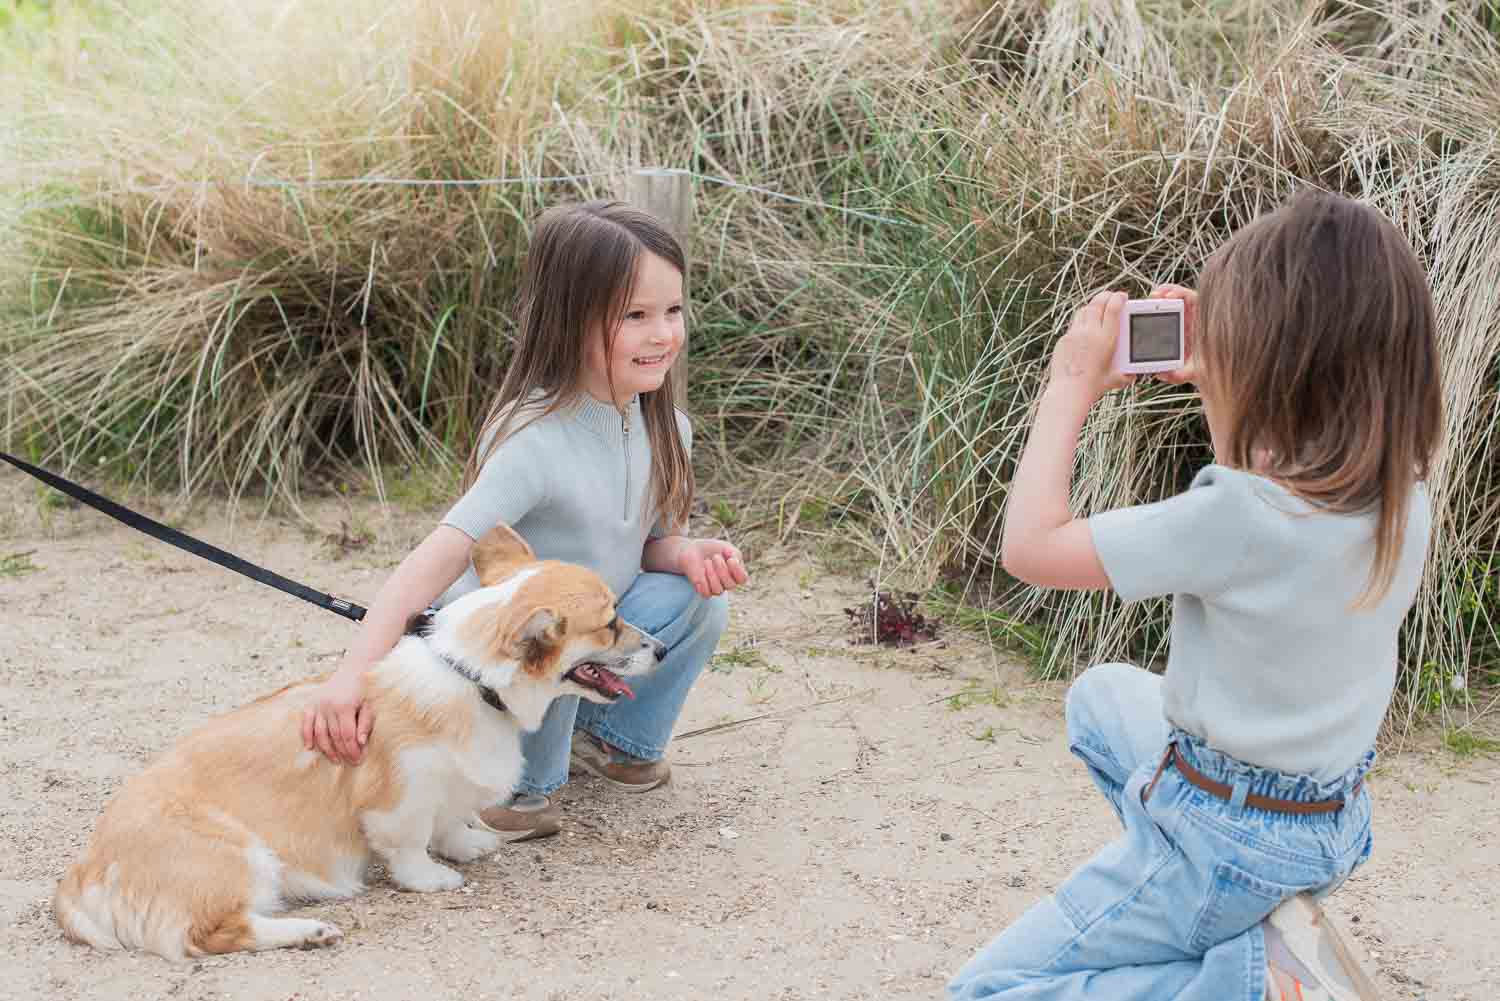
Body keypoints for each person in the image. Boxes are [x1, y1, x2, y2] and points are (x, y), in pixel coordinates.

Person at [949, 190, 1441, 1001]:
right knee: (1100, 698)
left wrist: (1069, 384)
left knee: (985, 990)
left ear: (1272, 362)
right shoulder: (1402, 500)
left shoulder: (1237, 518)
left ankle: (1243, 977)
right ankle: (1238, 919)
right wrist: (1222, 376)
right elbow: (1258, 489)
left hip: (1227, 834)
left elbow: (1029, 547)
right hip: (1327, 821)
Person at [301, 200, 747, 841]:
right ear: (571, 321)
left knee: (697, 601)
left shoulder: (667, 425)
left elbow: (644, 546)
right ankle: (513, 778)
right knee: (519, 801)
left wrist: (684, 555)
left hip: (592, 626)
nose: (663, 335)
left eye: (673, 311)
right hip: (519, 653)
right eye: (636, 317)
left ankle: (614, 742)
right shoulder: (532, 439)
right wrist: (352, 679)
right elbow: (440, 556)